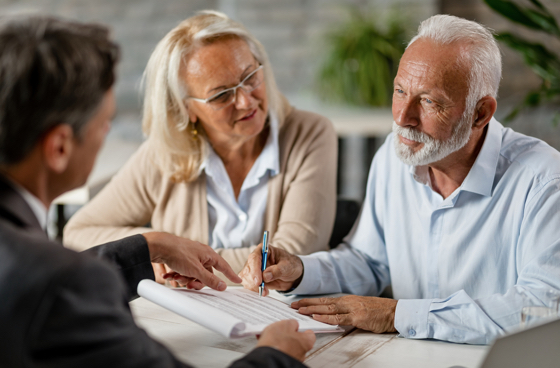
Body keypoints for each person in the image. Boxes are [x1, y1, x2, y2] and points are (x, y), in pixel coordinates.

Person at [0, 15, 315, 367]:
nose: (108, 134)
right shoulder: (66, 285)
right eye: (105, 123)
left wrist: (149, 248)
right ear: (59, 148)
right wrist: (277, 356)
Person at [239, 14, 560, 345]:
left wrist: (396, 315)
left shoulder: (545, 181)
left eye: (428, 101)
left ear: (480, 113)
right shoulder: (394, 158)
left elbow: (543, 308)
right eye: (400, 90)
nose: (402, 117)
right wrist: (301, 271)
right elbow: (369, 262)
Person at [62, 10, 337, 284]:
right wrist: (156, 247)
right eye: (221, 94)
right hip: (189, 319)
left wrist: (184, 260)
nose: (246, 101)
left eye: (250, 77)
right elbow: (78, 233)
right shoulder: (165, 153)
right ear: (186, 108)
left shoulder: (310, 133)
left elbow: (292, 258)